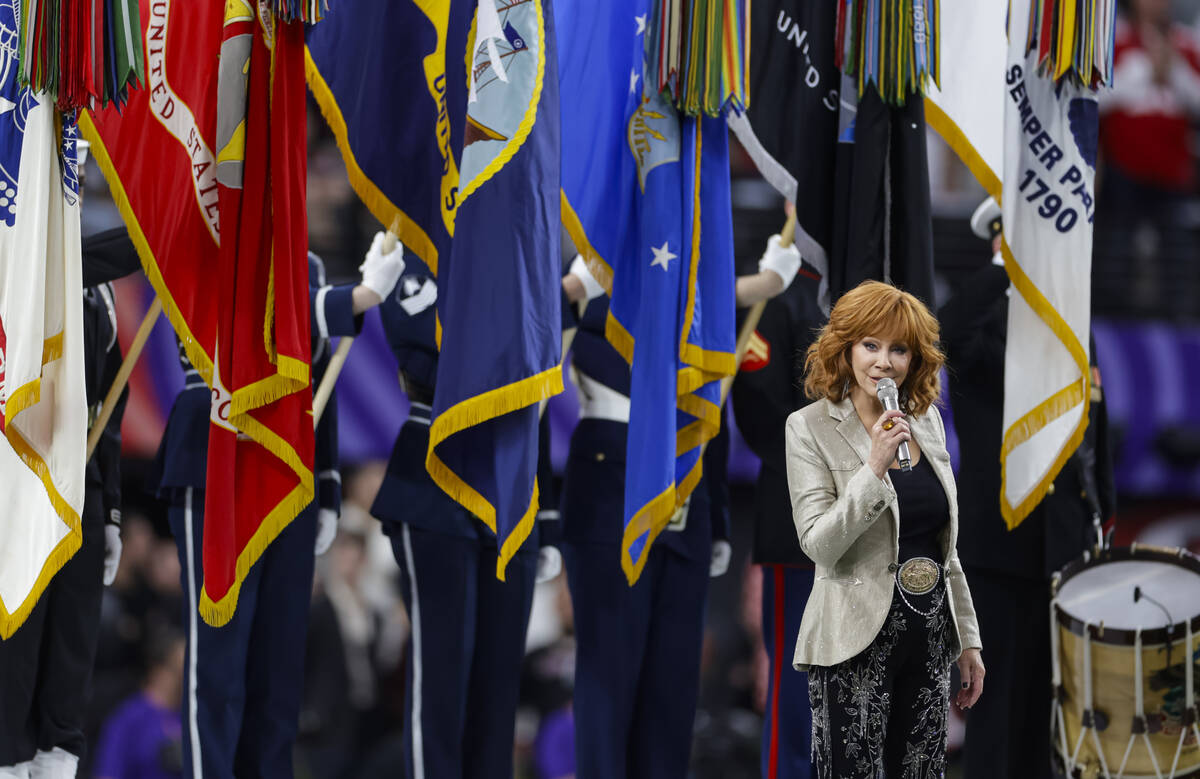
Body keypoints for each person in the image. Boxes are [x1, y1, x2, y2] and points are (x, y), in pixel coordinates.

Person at [152, 235, 403, 778]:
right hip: (220, 449)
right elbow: (245, 326)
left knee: (279, 668)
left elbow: (313, 382)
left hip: (290, 463)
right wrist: (349, 302)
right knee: (218, 663)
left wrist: (330, 485)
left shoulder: (307, 262)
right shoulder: (199, 234)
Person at [558, 228, 799, 779]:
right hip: (611, 489)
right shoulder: (591, 264)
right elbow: (534, 318)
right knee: (610, 678)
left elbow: (702, 400)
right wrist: (577, 279)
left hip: (689, 490)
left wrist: (714, 513)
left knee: (673, 687)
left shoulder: (689, 269)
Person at [942, 199, 1114, 779]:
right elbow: (944, 331)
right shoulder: (983, 331)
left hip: (1059, 551)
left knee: (1051, 716)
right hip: (995, 552)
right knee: (994, 714)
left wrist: (1102, 511)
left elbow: (1096, 427)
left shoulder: (1069, 326)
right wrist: (1003, 268)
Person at [370, 253, 559, 779]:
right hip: (436, 464)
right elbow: (427, 354)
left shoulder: (519, 250)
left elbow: (534, 382)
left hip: (510, 479)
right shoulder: (413, 240)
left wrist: (545, 517)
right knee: (442, 678)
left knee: (498, 686)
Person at [785, 280, 984, 778]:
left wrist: (968, 639)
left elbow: (946, 547)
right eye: (870, 345)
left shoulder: (928, 422)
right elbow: (820, 545)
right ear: (845, 349)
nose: (883, 362)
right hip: (852, 640)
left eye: (899, 349)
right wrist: (873, 468)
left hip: (928, 638)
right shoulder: (807, 427)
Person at [0, 140, 137, 779]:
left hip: (79, 474)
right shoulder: (21, 257)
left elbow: (110, 401)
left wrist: (110, 510)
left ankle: (59, 752)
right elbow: (72, 263)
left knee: (73, 635)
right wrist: (156, 235)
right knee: (20, 636)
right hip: (19, 474)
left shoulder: (98, 294)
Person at [730, 246, 824, 779]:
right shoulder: (781, 293)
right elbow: (759, 407)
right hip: (800, 522)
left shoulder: (875, 291)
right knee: (797, 692)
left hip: (874, 528)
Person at [93, 630, 186, 779]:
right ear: (158, 669)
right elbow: (107, 773)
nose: (183, 681)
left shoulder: (191, 720)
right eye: (179, 672)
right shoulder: (129, 718)